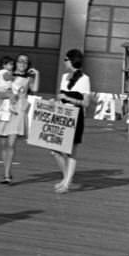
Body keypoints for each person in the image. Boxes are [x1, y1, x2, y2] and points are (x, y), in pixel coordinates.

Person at [0, 54, 39, 184]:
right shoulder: (8, 75)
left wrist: (37, 74)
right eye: (20, 61)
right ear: (16, 63)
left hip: (18, 111)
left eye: (25, 62)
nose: (23, 64)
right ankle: (6, 172)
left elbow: (35, 89)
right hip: (6, 109)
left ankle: (7, 174)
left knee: (11, 143)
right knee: (4, 143)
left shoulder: (27, 78)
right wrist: (7, 95)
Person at [51, 48, 92, 193]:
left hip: (75, 115)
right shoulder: (64, 77)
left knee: (72, 151)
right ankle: (66, 177)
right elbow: (61, 96)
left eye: (66, 59)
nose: (64, 62)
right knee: (55, 150)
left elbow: (86, 102)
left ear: (72, 61)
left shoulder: (84, 79)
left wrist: (68, 99)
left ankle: (67, 182)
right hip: (62, 114)